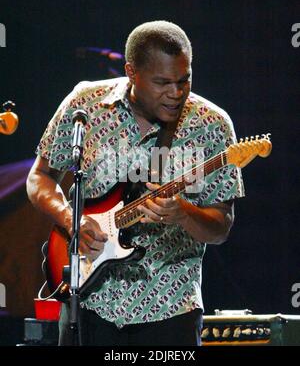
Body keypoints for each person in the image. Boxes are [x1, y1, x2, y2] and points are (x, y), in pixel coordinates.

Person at [26, 20, 244, 346]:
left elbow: (221, 226)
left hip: (171, 306)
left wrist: (184, 213)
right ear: (131, 72)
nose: (176, 93)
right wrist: (70, 220)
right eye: (162, 82)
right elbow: (40, 177)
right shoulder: (85, 105)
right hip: (89, 303)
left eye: (184, 80)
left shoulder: (211, 125)